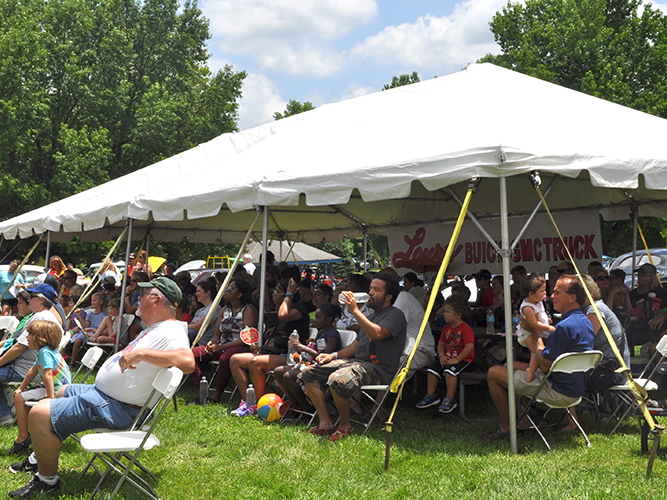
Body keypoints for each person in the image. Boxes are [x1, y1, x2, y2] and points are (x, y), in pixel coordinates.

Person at [8, 277, 194, 498]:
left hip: (121, 408)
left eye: (143, 295)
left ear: (156, 299)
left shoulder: (171, 330)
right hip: (107, 397)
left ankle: (47, 480)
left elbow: (188, 362)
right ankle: (38, 457)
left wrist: (141, 353)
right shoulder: (155, 328)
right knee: (59, 392)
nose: (138, 299)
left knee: (40, 412)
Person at [484, 275, 594, 440]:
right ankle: (524, 420)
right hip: (575, 389)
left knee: (493, 372)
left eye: (557, 293)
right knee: (509, 365)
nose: (551, 296)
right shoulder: (585, 322)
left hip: (556, 389)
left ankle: (507, 427)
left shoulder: (563, 327)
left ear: (572, 298)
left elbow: (543, 365)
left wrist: (534, 331)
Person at [299, 273, 406, 441]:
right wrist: (332, 355)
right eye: (370, 288)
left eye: (376, 290)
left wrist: (355, 311)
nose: (370, 292)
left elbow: (377, 334)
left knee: (338, 379)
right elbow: (355, 346)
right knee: (308, 372)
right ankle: (325, 424)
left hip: (380, 370)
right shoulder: (370, 316)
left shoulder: (395, 315)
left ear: (388, 296)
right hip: (357, 363)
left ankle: (345, 426)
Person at [229, 278, 310, 416]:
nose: (273, 295)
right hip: (275, 353)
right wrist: (261, 349)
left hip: (291, 357)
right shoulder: (281, 310)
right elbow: (278, 338)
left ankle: (259, 405)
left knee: (255, 362)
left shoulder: (299, 309)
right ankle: (248, 402)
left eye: (277, 292)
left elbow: (283, 315)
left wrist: (288, 294)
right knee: (235, 359)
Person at [0, 284, 63, 426]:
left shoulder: (40, 317)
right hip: (30, 367)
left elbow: (18, 347)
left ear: (41, 299)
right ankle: (7, 410)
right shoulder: (42, 316)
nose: (29, 300)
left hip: (23, 368)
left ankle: (4, 415)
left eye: (32, 297)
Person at [190, 280, 258, 403]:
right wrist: (213, 342)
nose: (226, 290)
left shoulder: (248, 310)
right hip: (222, 346)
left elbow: (246, 339)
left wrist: (221, 347)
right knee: (191, 354)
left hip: (241, 347)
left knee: (226, 357)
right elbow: (217, 334)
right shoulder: (224, 310)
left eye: (230, 289)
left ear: (239, 294)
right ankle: (201, 394)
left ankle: (217, 395)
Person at [10, 321, 71, 455]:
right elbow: (32, 371)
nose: (27, 337)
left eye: (30, 334)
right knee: (20, 394)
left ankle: (23, 437)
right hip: (57, 388)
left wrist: (50, 398)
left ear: (39, 338)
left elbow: (48, 375)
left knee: (19, 398)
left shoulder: (44, 353)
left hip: (56, 391)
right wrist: (21, 387)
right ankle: (26, 434)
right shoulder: (46, 351)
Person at [274, 302, 342, 412]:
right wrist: (298, 347)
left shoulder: (333, 335)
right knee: (278, 371)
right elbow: (312, 351)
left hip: (324, 368)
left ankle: (306, 407)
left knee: (288, 376)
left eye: (318, 317)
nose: (314, 320)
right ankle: (296, 404)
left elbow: (325, 358)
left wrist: (305, 349)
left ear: (328, 320)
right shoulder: (321, 333)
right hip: (310, 364)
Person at [415, 294, 474, 414]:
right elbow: (441, 343)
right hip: (447, 357)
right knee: (432, 369)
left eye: (448, 312)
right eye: (445, 311)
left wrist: (458, 359)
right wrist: (442, 356)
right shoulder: (446, 328)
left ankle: (450, 399)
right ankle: (431, 395)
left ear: (458, 314)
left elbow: (469, 346)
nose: (444, 314)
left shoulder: (465, 328)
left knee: (450, 372)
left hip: (463, 360)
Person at [515, 274, 554, 382]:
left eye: (545, 290)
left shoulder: (537, 302)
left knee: (539, 352)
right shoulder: (527, 307)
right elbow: (534, 324)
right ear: (531, 294)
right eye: (542, 291)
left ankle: (535, 370)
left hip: (534, 333)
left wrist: (547, 320)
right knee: (536, 352)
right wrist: (548, 328)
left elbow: (541, 314)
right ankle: (530, 371)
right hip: (526, 335)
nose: (545, 293)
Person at [68, 293, 106, 369]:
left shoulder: (105, 313)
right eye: (92, 300)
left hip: (99, 332)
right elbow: (85, 326)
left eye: (95, 300)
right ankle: (72, 362)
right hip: (89, 331)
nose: (92, 302)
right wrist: (79, 316)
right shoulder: (90, 314)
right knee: (78, 340)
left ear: (101, 302)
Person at [187, 280, 221, 346]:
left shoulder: (214, 307)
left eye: (198, 291)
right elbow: (191, 326)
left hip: (202, 344)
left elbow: (198, 326)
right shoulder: (199, 311)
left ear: (208, 293)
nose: (196, 294)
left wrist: (184, 326)